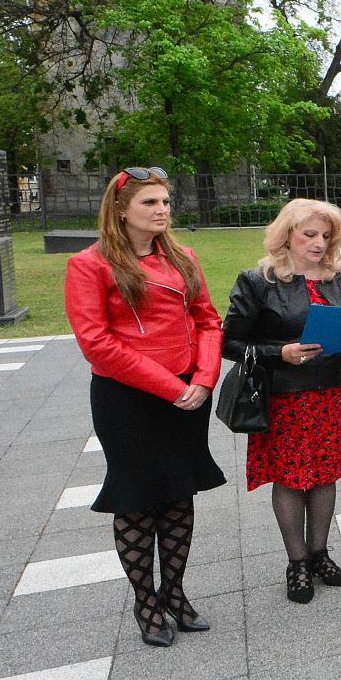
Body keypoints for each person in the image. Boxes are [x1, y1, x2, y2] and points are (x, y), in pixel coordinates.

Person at [64, 167, 225, 647]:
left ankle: (174, 593)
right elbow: (96, 343)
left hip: (187, 393)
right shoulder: (88, 265)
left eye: (165, 203)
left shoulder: (183, 258)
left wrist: (203, 378)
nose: (162, 211)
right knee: (136, 500)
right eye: (150, 203)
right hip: (128, 400)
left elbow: (209, 322)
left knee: (179, 494)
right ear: (120, 209)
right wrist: (171, 388)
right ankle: (145, 602)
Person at [224, 199, 341, 604]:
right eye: (310, 235)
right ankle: (297, 564)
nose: (320, 243)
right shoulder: (258, 280)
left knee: (326, 473)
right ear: (286, 234)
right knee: (291, 477)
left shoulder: (339, 278)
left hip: (332, 391)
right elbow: (230, 342)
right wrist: (280, 353)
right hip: (286, 396)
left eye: (326, 236)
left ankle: (320, 553)